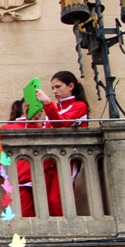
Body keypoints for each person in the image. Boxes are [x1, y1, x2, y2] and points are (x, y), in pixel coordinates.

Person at [34, 71, 90, 214]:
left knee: (57, 199)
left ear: (70, 86)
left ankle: (66, 234)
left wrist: (47, 102)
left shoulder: (79, 105)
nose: (54, 91)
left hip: (67, 159)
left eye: (58, 87)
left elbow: (61, 123)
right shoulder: (55, 107)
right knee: (45, 201)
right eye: (52, 88)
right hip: (48, 160)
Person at [0, 99, 40, 216]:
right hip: (20, 182)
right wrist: (8, 174)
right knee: (23, 217)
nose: (41, 110)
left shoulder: (39, 128)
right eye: (37, 106)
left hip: (40, 180)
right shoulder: (7, 129)